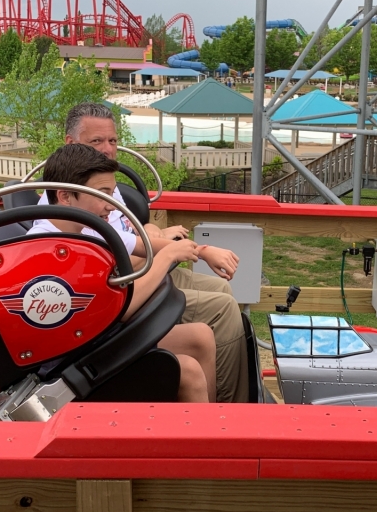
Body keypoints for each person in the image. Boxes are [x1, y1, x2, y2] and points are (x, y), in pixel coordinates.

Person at [33, 101, 249, 403]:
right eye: (104, 195)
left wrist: (184, 246)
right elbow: (119, 308)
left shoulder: (84, 226)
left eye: (112, 141)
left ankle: (219, 419)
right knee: (188, 369)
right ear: (66, 196)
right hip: (83, 359)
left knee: (200, 336)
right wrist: (167, 256)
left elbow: (134, 243)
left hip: (102, 335)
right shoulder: (54, 248)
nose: (111, 206)